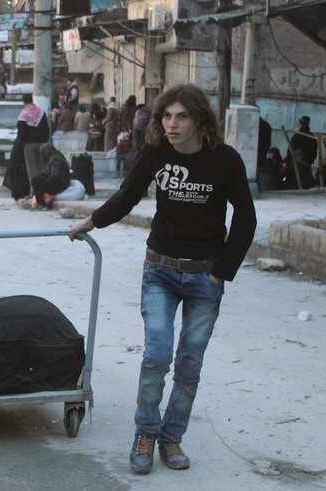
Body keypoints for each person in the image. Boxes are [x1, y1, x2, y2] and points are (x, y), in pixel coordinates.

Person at [68, 83, 256, 476]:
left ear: (199, 119)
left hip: (206, 275)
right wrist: (90, 221)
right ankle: (145, 434)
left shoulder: (225, 160)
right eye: (166, 116)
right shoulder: (155, 154)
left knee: (189, 363)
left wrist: (223, 270)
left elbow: (246, 218)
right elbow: (127, 195)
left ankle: (172, 438)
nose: (172, 124)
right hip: (160, 271)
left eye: (181, 117)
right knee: (156, 355)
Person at [16, 93, 51, 193]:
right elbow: (46, 129)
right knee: (42, 167)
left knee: (32, 168)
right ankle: (44, 189)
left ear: (24, 102)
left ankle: (35, 191)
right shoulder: (40, 112)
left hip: (29, 145)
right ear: (32, 100)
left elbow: (21, 131)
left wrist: (21, 142)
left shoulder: (24, 114)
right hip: (42, 144)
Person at [30, 142, 71, 211]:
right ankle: (43, 203)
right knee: (37, 179)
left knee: (35, 181)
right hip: (61, 183)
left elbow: (55, 175)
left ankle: (42, 205)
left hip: (60, 185)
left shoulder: (55, 159)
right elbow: (47, 172)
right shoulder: (54, 157)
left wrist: (46, 180)